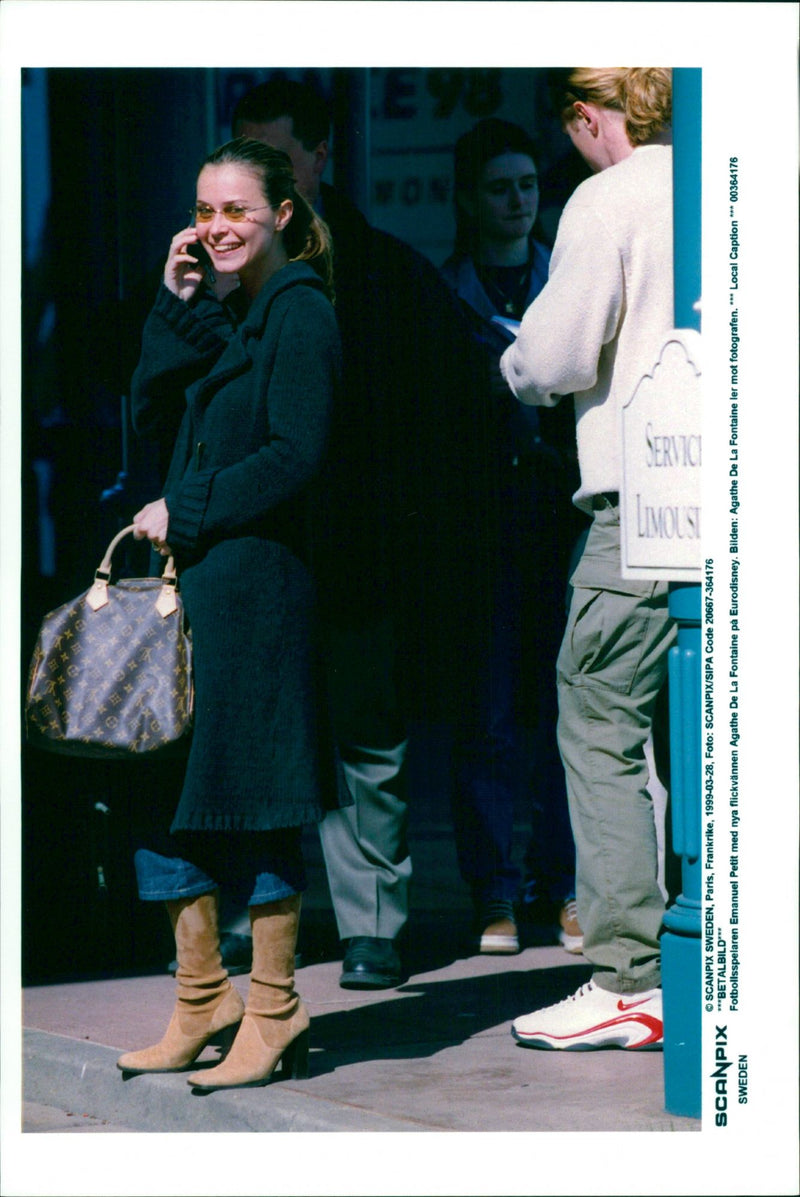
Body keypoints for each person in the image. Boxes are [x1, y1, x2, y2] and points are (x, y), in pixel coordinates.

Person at [232, 79, 493, 989]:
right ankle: (267, 916)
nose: (258, 174)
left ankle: (370, 924)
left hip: (353, 544)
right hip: (258, 544)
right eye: (247, 152)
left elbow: (442, 420)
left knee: (363, 737)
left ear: (318, 155)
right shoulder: (227, 268)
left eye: (273, 154)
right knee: (263, 732)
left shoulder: (381, 270)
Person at [116, 136, 346, 1090]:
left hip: (257, 596)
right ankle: (198, 993)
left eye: (236, 212)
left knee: (255, 803)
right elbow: (146, 427)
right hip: (195, 596)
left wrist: (190, 508)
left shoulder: (300, 315)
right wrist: (175, 309)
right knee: (162, 797)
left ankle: (275, 1004)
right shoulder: (230, 316)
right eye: (204, 212)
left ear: (282, 214)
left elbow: (299, 453)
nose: (216, 228)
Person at [500, 68, 676, 1049]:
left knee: (596, 716)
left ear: (584, 115)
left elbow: (553, 358)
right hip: (733, 503)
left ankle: (626, 976)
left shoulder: (605, 198)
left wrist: (509, 358)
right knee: (698, 732)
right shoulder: (718, 181)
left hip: (640, 501)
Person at [440, 118, 583, 956]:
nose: (520, 200)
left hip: (559, 519)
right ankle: (494, 892)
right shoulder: (443, 291)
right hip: (477, 533)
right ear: (467, 197)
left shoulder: (564, 279)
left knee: (566, 711)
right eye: (501, 186)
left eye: (529, 184)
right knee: (488, 718)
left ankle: (563, 886)